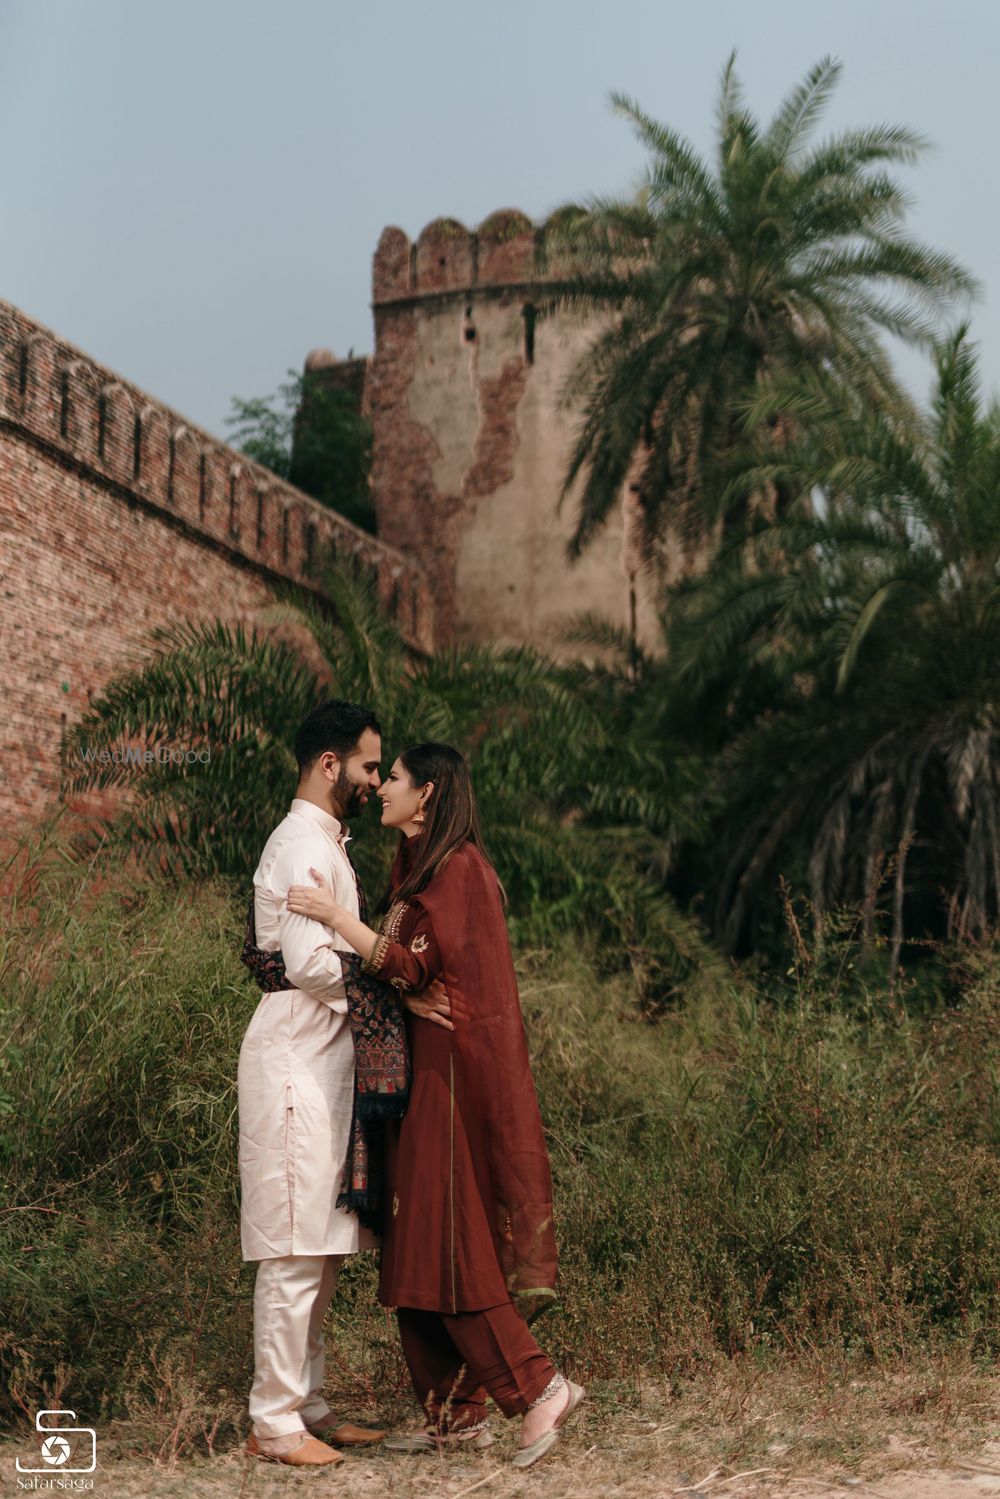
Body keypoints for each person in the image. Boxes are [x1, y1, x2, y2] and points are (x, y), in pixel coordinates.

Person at [286, 741, 585, 1469]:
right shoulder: (419, 866)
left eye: (392, 778)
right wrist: (403, 980)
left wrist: (332, 914)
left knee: (451, 1249)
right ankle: (455, 1411)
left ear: (427, 795)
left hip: (449, 1087)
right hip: (419, 1079)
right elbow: (411, 969)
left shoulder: (458, 870)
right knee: (416, 1246)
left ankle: (539, 1386)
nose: (381, 785)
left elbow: (407, 961)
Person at [237, 699, 392, 1468]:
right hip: (297, 1053)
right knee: (295, 1242)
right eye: (369, 765)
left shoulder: (327, 842)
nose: (374, 779)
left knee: (323, 1243)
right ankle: (274, 1421)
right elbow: (308, 963)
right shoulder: (301, 843)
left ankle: (312, 1404)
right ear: (330, 764)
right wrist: (386, 985)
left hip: (324, 1056)